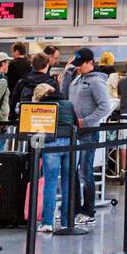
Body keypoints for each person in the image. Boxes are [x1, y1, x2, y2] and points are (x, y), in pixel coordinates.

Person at [63, 47, 111, 227]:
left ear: (90, 63)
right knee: (72, 171)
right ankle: (73, 208)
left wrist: (86, 121)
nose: (78, 68)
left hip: (88, 132)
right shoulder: (77, 79)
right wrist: (67, 73)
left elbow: (104, 106)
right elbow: (65, 95)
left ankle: (88, 210)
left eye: (80, 65)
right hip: (74, 132)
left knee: (85, 171)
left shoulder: (97, 82)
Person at [32, 81, 78, 234]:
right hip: (71, 143)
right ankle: (66, 222)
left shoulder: (41, 107)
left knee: (50, 184)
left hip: (51, 144)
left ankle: (47, 223)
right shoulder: (68, 104)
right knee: (68, 183)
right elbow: (76, 123)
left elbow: (37, 130)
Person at [10, 52, 55, 117]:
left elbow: (14, 101)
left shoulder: (23, 81)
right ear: (47, 65)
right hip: (45, 120)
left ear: (32, 65)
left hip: (25, 119)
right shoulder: (52, 83)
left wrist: (13, 117)